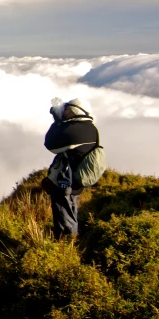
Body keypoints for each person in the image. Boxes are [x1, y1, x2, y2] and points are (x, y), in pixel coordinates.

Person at [42, 98, 98, 239]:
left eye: (67, 109)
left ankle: (66, 244)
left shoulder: (74, 130)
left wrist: (57, 121)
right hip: (77, 178)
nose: (64, 112)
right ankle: (71, 239)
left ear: (75, 111)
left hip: (66, 181)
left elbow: (50, 144)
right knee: (71, 210)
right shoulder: (90, 127)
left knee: (63, 214)